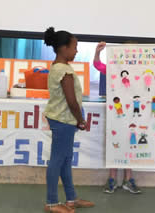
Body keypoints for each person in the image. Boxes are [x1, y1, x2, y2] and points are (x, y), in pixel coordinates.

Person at [93, 41, 155, 194]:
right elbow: (98, 65)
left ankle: (128, 179)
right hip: (119, 111)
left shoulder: (145, 70)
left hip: (138, 112)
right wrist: (98, 52)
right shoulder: (116, 69)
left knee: (131, 142)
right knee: (117, 141)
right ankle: (112, 178)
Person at [43, 27, 94, 213]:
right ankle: (51, 203)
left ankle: (71, 198)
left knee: (65, 159)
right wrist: (80, 120)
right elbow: (72, 102)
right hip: (64, 120)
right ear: (63, 48)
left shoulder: (59, 66)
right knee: (57, 160)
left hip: (64, 120)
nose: (77, 51)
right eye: (74, 47)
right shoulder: (63, 70)